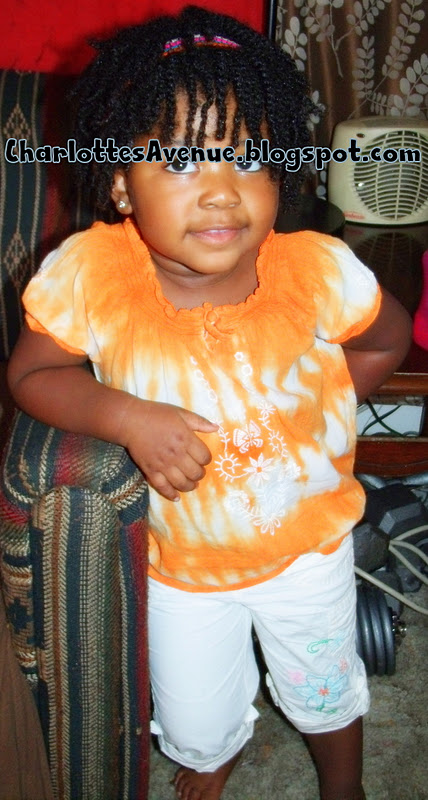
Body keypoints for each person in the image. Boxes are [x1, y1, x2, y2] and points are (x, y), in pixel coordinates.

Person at [7, 6, 412, 800]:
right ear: (120, 182)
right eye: (180, 161)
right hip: (181, 564)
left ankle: (345, 785)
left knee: (328, 687)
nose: (222, 194)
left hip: (307, 547)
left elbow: (384, 340)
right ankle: (213, 752)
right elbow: (32, 375)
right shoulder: (92, 273)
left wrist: (316, 411)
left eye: (249, 159)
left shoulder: (314, 270)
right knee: (193, 715)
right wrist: (129, 419)